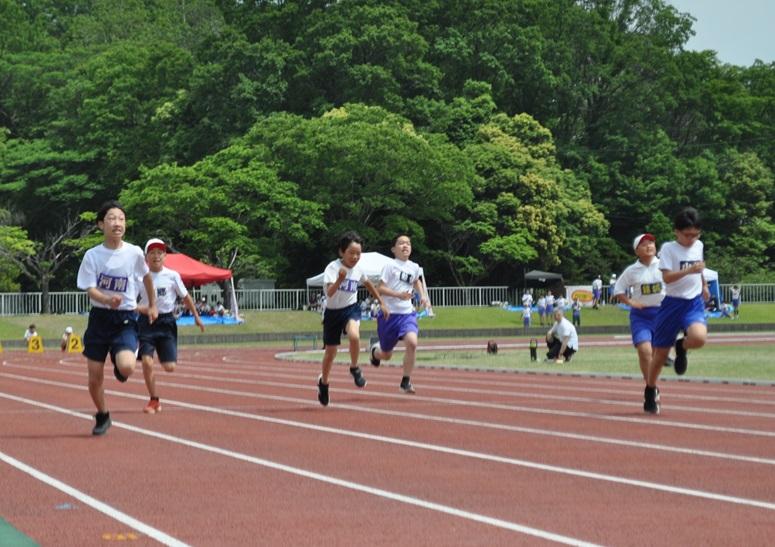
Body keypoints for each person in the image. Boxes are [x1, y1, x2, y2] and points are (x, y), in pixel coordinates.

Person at [76, 201, 158, 435]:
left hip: (125, 318)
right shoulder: (92, 255)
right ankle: (103, 415)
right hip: (100, 319)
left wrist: (152, 305)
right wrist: (106, 299)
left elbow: (147, 278)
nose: (117, 223)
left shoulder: (134, 253)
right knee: (94, 377)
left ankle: (120, 363)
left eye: (121, 219)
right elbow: (89, 288)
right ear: (101, 224)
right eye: (111, 218)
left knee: (127, 366)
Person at [644, 207, 709, 414]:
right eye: (687, 235)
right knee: (660, 354)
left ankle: (682, 346)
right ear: (677, 232)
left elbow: (700, 269)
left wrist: (704, 285)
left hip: (693, 302)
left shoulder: (699, 246)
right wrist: (689, 270)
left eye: (695, 235)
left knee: (699, 338)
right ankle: (650, 389)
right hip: (672, 304)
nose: (691, 239)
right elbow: (667, 278)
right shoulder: (668, 249)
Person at [317, 231, 388, 406]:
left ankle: (354, 367)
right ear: (342, 252)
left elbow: (369, 284)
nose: (355, 257)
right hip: (333, 313)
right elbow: (329, 293)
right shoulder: (332, 268)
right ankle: (324, 383)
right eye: (351, 253)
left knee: (354, 336)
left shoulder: (358, 269)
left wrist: (381, 302)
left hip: (351, 309)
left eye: (358, 253)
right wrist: (339, 280)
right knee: (330, 353)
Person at [137, 238, 205, 414]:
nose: (156, 256)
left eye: (160, 253)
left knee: (170, 367)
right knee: (146, 362)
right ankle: (154, 400)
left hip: (166, 322)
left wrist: (196, 317)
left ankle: (163, 351)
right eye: (152, 253)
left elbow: (186, 297)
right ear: (146, 257)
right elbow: (130, 302)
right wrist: (144, 309)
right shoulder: (139, 277)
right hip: (146, 322)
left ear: (165, 256)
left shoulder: (172, 275)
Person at [369, 235, 429, 394]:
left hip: (407, 314)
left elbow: (416, 281)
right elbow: (380, 288)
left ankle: (406, 381)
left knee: (412, 343)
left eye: (408, 243)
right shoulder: (390, 266)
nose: (405, 246)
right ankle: (375, 352)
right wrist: (398, 295)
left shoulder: (414, 267)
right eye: (401, 243)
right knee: (386, 354)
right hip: (389, 315)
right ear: (393, 249)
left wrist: (422, 295)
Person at [613, 233, 665, 383]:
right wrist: (630, 302)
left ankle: (652, 380)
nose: (649, 246)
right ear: (637, 251)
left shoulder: (664, 265)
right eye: (644, 244)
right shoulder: (632, 270)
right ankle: (651, 386)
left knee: (655, 354)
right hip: (641, 316)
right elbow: (618, 290)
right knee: (644, 351)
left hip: (662, 315)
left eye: (651, 243)